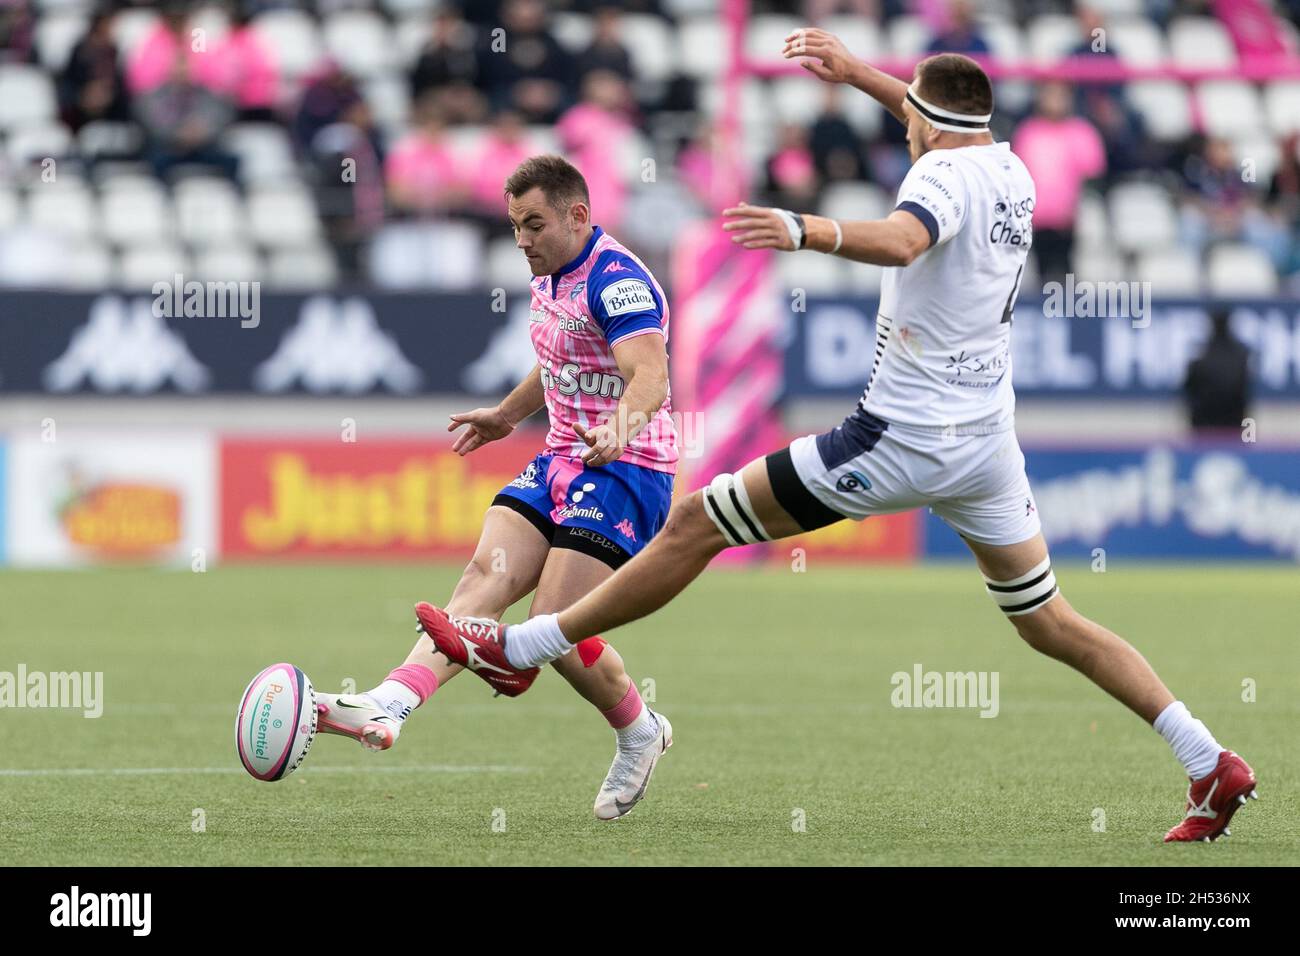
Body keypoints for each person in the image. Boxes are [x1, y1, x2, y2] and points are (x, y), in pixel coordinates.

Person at [419, 34, 1258, 843]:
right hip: (987, 442)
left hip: (901, 435)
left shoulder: (938, 175)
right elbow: (929, 116)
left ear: (930, 127)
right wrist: (860, 73)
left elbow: (903, 238)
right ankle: (1207, 758)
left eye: (908, 115)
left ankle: (523, 643)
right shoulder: (1010, 167)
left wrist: (804, 230)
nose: (903, 124)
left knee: (696, 523)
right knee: (1048, 621)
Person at [316, 155, 678, 821]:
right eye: (514, 226)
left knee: (553, 628)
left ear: (578, 215)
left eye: (533, 224)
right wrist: (508, 415)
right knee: (485, 575)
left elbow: (649, 374)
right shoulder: (552, 273)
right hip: (562, 458)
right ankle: (389, 703)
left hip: (628, 469)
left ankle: (639, 730)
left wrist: (621, 428)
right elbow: (559, 357)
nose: (521, 240)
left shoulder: (617, 279)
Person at [1182, 308, 1251, 435]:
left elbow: (1187, 389)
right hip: (1229, 429)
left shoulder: (1200, 359)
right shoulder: (1241, 359)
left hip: (1207, 429)